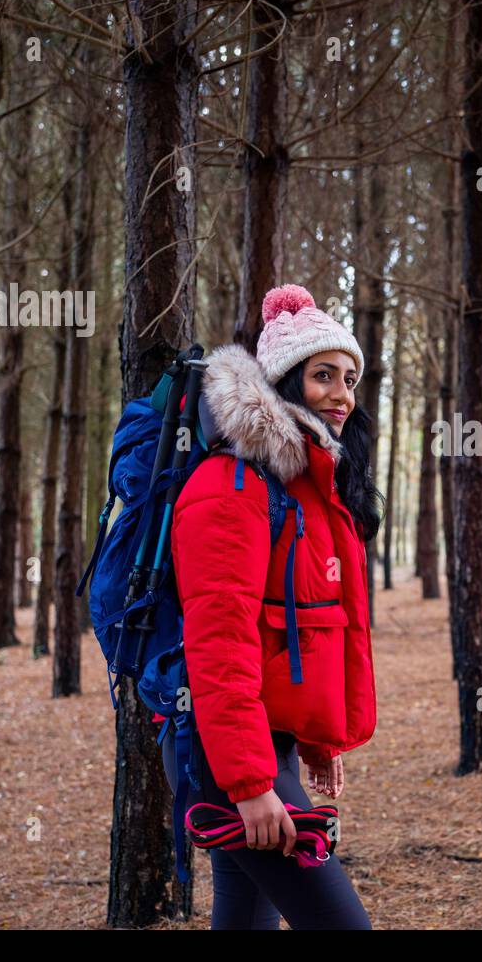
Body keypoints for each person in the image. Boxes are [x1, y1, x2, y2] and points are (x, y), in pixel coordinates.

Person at [159, 283, 382, 929]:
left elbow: (296, 631)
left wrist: (312, 737)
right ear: (283, 382)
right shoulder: (230, 487)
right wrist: (253, 784)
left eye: (349, 378)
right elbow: (220, 647)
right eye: (323, 377)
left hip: (259, 744)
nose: (342, 395)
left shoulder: (305, 491)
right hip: (220, 750)